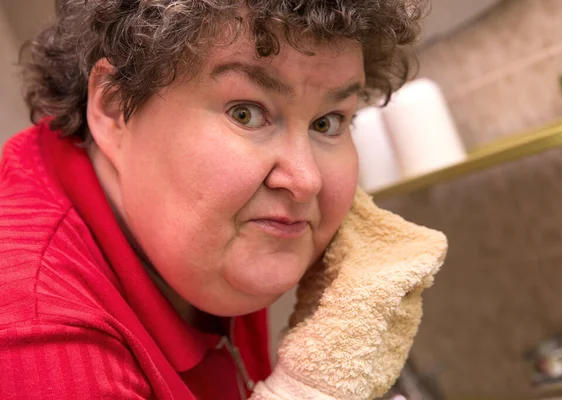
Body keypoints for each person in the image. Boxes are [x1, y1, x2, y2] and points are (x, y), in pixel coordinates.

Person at [0, 0, 447, 399]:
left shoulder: (204, 237)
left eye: (328, 122)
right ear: (116, 107)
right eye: (246, 114)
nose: (305, 180)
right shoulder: (38, 337)